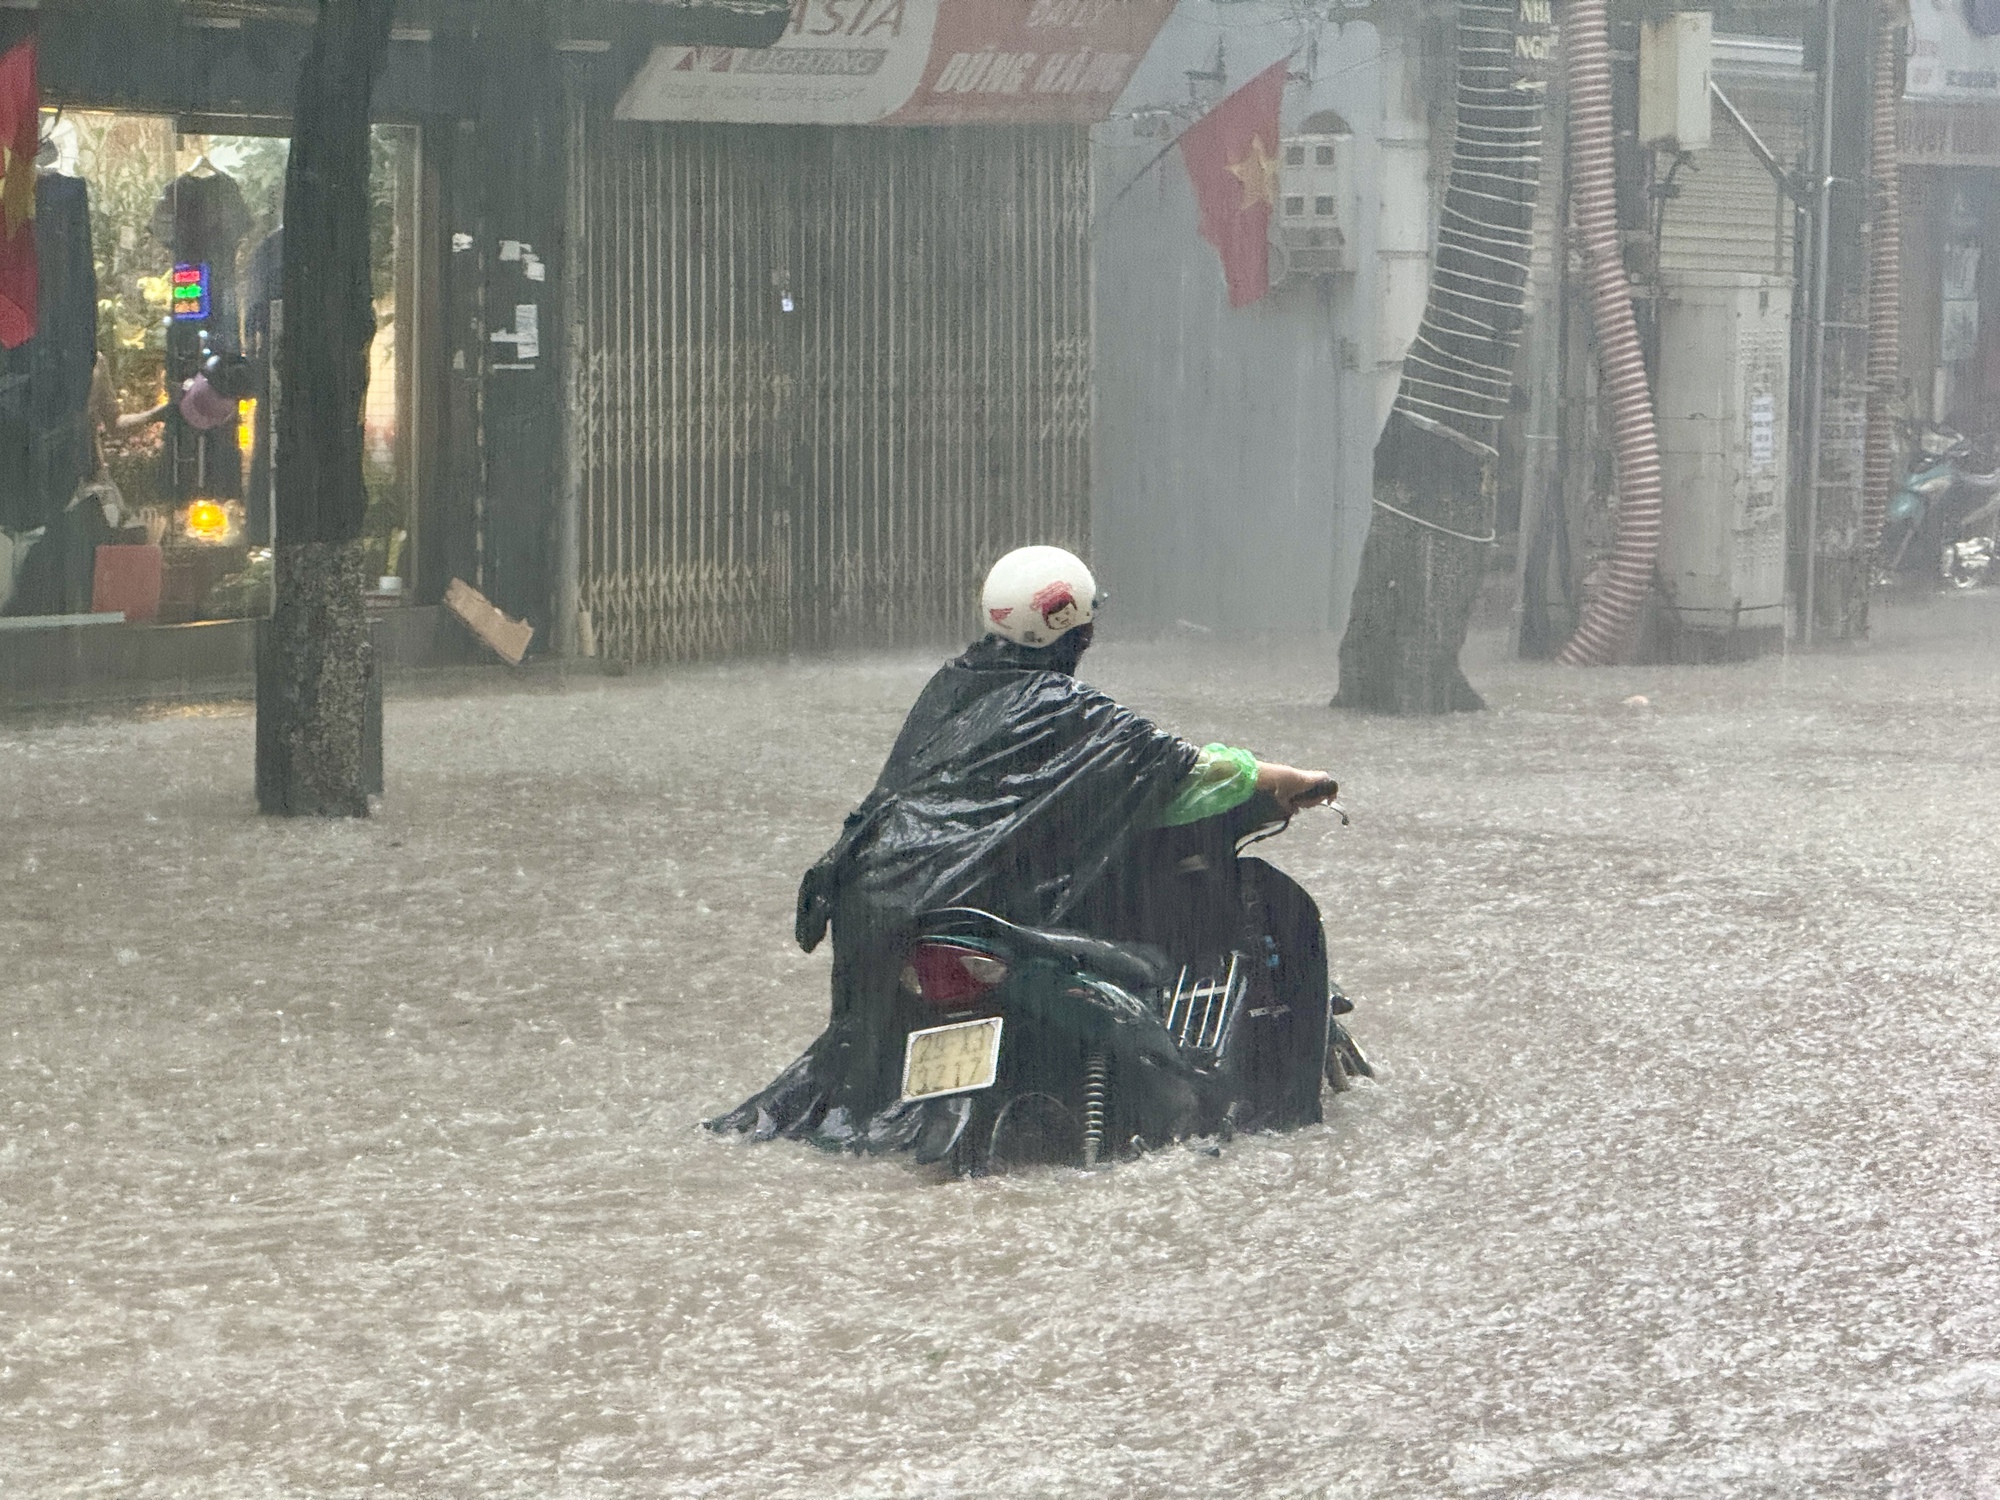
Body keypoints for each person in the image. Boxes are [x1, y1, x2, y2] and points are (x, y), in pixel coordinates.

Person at [712, 545, 1341, 1147]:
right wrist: (1291, 781)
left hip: (882, 913)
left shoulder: (953, 689)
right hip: (987, 910)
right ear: (1075, 631)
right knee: (1139, 971)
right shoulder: (1066, 710)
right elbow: (1182, 770)